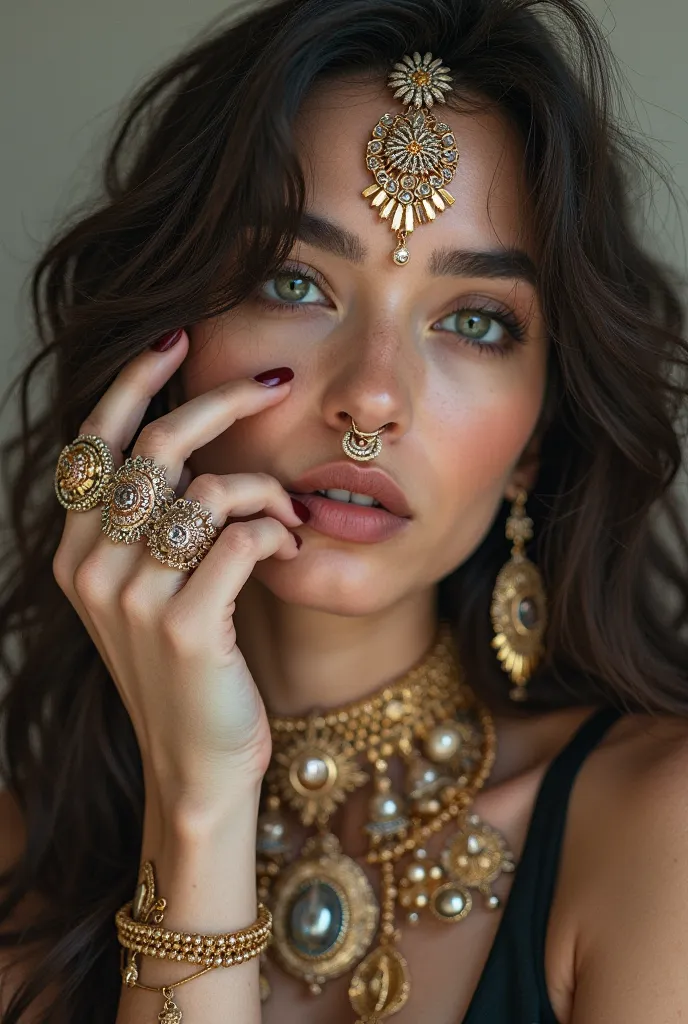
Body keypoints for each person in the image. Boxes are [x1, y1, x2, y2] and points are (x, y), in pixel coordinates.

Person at [1, 0, 688, 1020]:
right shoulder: (23, 871)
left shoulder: (655, 828)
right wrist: (200, 805)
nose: (372, 397)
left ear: (535, 437)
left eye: (472, 320)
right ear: (168, 352)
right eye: (293, 280)